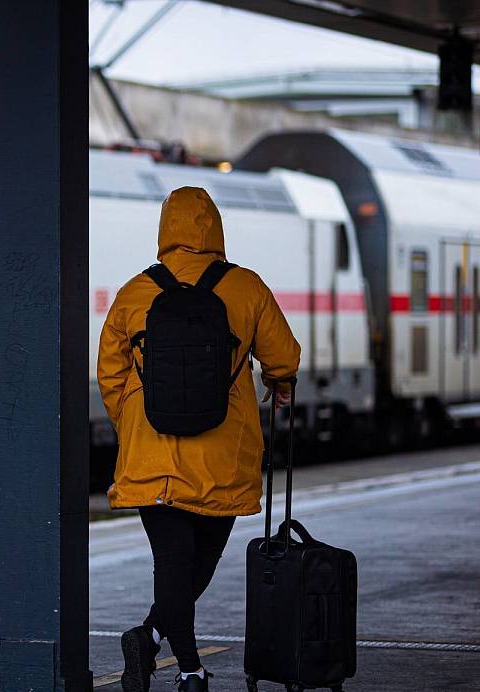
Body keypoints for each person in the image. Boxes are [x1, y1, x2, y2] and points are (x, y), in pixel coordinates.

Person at [97, 186, 300, 692]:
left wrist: (133, 426)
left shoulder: (134, 293)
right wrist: (279, 383)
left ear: (165, 230)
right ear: (215, 228)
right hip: (222, 455)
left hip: (153, 457)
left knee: (171, 562)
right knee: (198, 565)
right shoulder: (246, 287)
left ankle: (153, 642)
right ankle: (186, 666)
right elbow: (283, 357)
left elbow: (110, 375)